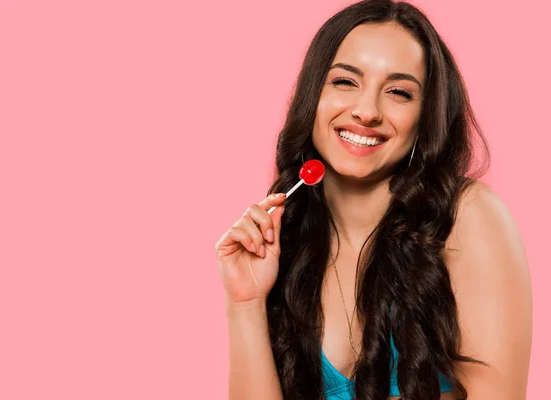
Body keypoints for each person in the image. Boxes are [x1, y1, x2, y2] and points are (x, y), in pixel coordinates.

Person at [214, 0, 532, 399]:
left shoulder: (468, 216)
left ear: (424, 117)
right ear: (313, 95)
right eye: (345, 82)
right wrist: (245, 303)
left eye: (398, 92)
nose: (366, 111)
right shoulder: (286, 243)